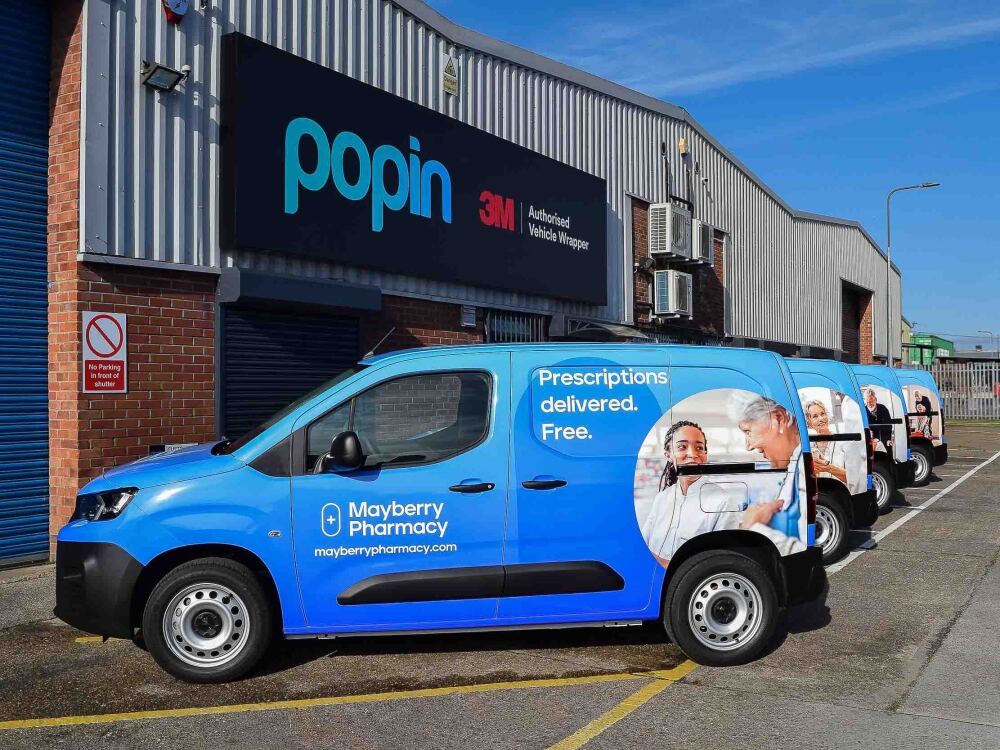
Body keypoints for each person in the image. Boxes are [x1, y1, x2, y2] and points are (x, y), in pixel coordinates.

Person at [641, 421, 745, 566]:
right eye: (682, 447)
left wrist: (659, 562)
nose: (692, 454)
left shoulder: (723, 502)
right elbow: (642, 546)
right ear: (668, 455)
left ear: (705, 455)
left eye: (699, 448)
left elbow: (720, 563)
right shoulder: (662, 498)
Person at [727, 391, 807, 555]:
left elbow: (805, 552)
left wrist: (753, 529)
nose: (748, 446)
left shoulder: (806, 470)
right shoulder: (794, 466)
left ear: (778, 419)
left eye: (748, 431)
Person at [802, 399, 849, 485]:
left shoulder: (843, 442)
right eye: (815, 416)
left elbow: (855, 478)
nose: (821, 418)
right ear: (809, 421)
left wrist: (829, 468)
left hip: (841, 495)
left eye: (822, 414)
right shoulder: (808, 447)